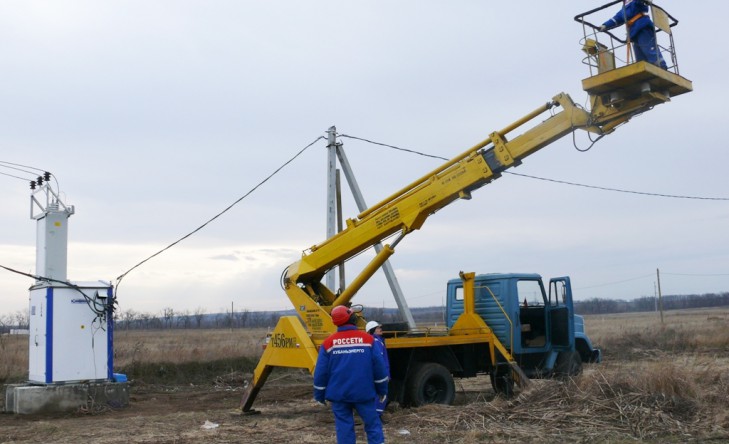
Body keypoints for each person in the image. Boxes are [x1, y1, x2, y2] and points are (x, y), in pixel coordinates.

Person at [314, 306, 389, 444]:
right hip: (364, 393)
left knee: (344, 428)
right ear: (352, 318)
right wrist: (382, 390)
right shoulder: (368, 340)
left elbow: (320, 373)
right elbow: (380, 369)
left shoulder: (328, 343)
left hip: (339, 395)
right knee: (373, 425)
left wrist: (319, 395)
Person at [599, 0, 667, 69]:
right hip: (633, 32)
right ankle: (644, 71)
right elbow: (617, 18)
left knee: (649, 49)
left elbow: (641, 2)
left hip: (642, 26)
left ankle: (661, 66)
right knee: (640, 56)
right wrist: (605, 25)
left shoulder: (635, 1)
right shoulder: (624, 6)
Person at [366, 320, 390, 417]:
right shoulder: (376, 342)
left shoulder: (376, 341)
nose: (380, 329)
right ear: (373, 330)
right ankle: (377, 416)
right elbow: (379, 361)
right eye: (378, 328)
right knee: (381, 395)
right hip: (380, 373)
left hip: (375, 373)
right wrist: (385, 374)